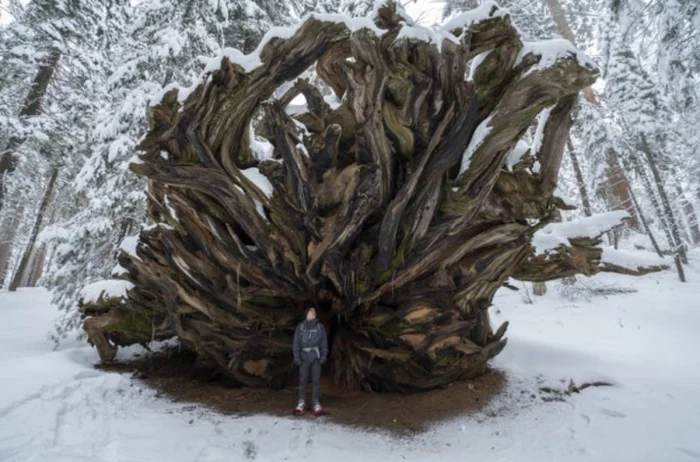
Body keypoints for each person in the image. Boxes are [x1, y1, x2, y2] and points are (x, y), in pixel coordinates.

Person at [292, 306, 328, 415]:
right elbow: (296, 343)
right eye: (311, 311)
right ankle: (301, 402)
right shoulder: (300, 327)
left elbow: (324, 343)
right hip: (304, 357)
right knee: (303, 380)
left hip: (315, 357)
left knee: (316, 380)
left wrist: (323, 356)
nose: (313, 313)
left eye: (314, 312)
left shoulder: (320, 327)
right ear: (306, 314)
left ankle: (315, 402)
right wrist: (297, 357)